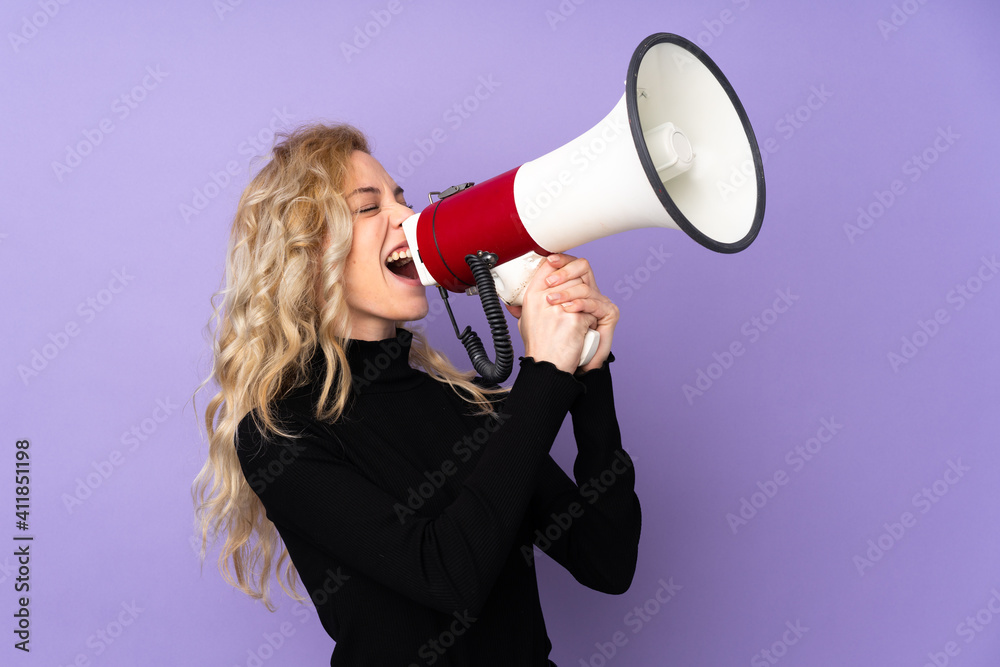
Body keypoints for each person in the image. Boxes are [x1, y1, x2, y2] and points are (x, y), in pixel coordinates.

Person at [193, 123, 641, 666]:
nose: (408, 219)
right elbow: (448, 575)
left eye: (402, 199)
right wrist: (544, 375)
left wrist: (588, 373)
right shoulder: (279, 434)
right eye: (368, 207)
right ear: (307, 253)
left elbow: (606, 562)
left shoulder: (461, 403)